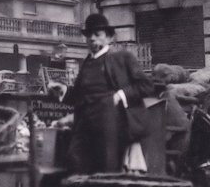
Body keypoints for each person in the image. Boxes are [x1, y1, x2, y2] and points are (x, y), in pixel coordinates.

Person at [48, 13, 153, 174]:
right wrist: (64, 91)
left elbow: (146, 85)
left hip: (110, 121)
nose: (92, 38)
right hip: (85, 122)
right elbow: (78, 95)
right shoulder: (87, 63)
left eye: (97, 34)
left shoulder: (122, 58)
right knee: (75, 161)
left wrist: (120, 95)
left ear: (109, 37)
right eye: (89, 35)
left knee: (106, 167)